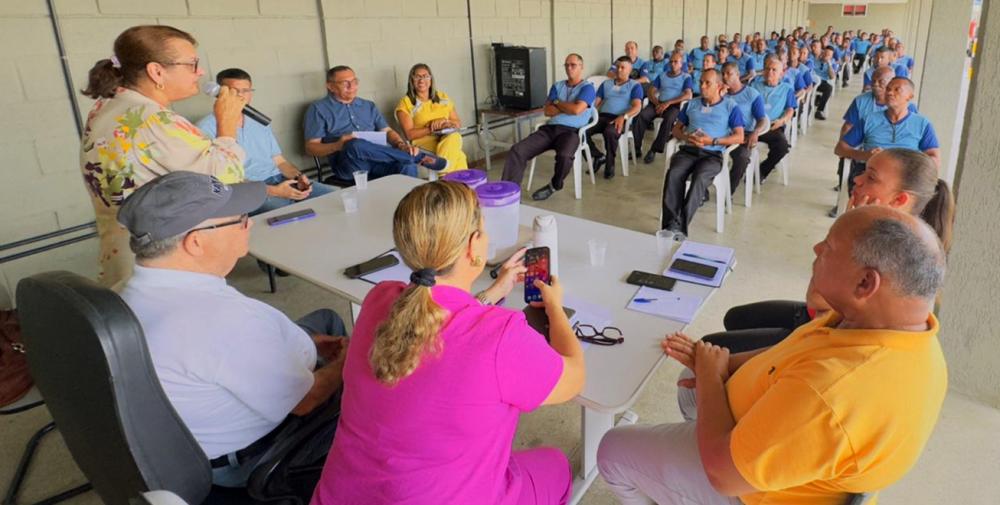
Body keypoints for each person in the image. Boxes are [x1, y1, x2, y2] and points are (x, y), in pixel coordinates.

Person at [599, 205, 948, 505]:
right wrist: (720, 365)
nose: (816, 248)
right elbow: (795, 348)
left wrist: (710, 376)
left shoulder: (834, 394)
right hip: (771, 431)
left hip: (748, 487)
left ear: (865, 284)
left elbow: (723, 474)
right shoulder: (889, 327)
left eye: (828, 248)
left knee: (612, 450)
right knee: (687, 387)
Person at [310, 181, 585, 505]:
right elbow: (573, 378)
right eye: (483, 229)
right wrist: (555, 307)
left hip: (339, 496)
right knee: (556, 465)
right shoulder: (501, 335)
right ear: (473, 247)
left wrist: (492, 293)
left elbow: (436, 318)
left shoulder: (379, 298)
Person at [117, 172, 349, 488]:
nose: (249, 224)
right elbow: (307, 399)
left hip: (190, 428)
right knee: (375, 375)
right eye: (239, 219)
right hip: (252, 458)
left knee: (325, 319)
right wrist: (349, 360)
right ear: (195, 242)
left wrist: (312, 345)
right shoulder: (217, 322)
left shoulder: (133, 292)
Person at [704, 148, 955, 353]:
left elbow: (818, 296)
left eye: (871, 178)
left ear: (899, 200)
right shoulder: (879, 226)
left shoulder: (889, 250)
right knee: (735, 317)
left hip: (820, 338)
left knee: (709, 346)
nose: (857, 180)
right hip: (815, 317)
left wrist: (850, 223)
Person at [80, 25, 247, 288]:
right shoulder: (153, 120)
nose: (200, 72)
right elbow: (226, 177)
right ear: (156, 71)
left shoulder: (107, 106)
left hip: (121, 250)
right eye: (192, 64)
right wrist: (226, 126)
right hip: (160, 259)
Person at [197, 68, 335, 215]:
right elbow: (222, 178)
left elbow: (280, 161)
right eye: (234, 91)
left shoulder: (259, 121)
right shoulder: (204, 128)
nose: (241, 96)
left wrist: (298, 177)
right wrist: (275, 191)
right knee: (287, 212)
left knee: (332, 197)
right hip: (249, 188)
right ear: (220, 94)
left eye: (246, 90)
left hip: (280, 179)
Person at [304, 66, 445, 182]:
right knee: (354, 144)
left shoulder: (368, 106)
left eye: (354, 81)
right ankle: (418, 157)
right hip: (350, 166)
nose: (352, 86)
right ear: (330, 86)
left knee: (406, 165)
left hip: (379, 161)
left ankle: (412, 208)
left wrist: (401, 145)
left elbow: (388, 131)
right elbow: (311, 148)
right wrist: (337, 145)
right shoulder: (318, 109)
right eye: (345, 83)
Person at [660, 69, 744, 239]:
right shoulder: (691, 104)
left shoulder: (730, 106)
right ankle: (670, 226)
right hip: (688, 151)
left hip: (712, 155)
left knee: (699, 178)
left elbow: (739, 136)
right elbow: (676, 130)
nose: (702, 86)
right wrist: (686, 136)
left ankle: (681, 226)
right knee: (674, 173)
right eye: (701, 82)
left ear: (719, 86)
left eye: (707, 83)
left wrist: (712, 141)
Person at [502, 53, 596, 201]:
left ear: (581, 67)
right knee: (517, 150)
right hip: (549, 130)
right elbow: (547, 111)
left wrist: (557, 102)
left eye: (573, 65)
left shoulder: (588, 88)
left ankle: (555, 185)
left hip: (571, 132)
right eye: (566, 65)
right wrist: (567, 106)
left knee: (565, 156)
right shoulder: (557, 86)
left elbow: (577, 110)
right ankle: (508, 193)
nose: (569, 68)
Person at [836, 77, 941, 190]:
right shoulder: (869, 120)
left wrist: (911, 166)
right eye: (888, 89)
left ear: (909, 97)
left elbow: (934, 157)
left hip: (904, 178)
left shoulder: (922, 124)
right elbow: (840, 149)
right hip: (873, 174)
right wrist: (865, 155)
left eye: (897, 90)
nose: (890, 93)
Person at [394, 63, 468, 174]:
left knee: (455, 137)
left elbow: (457, 123)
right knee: (459, 156)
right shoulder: (406, 103)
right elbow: (409, 134)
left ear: (431, 79)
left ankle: (443, 173)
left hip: (447, 139)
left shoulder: (443, 97)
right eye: (417, 76)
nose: (421, 80)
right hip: (424, 145)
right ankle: (451, 181)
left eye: (425, 76)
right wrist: (432, 127)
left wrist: (446, 123)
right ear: (411, 80)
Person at [587, 56, 644, 179]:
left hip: (620, 118)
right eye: (617, 67)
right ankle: (597, 156)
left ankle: (610, 163)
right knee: (581, 131)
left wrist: (623, 116)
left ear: (630, 69)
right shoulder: (606, 84)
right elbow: (595, 103)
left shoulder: (635, 86)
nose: (619, 70)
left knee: (610, 132)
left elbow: (637, 107)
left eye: (623, 67)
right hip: (602, 116)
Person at [634, 51, 694, 165]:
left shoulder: (686, 77)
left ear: (681, 64)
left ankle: (654, 150)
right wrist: (657, 103)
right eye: (671, 61)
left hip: (674, 105)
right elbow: (651, 91)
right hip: (658, 103)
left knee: (669, 120)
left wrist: (668, 103)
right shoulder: (662, 75)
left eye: (676, 62)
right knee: (642, 115)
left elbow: (688, 94)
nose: (673, 64)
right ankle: (637, 148)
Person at [721, 63, 768, 196]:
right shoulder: (720, 92)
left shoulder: (751, 94)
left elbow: (762, 119)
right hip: (720, 132)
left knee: (742, 157)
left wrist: (756, 132)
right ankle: (703, 189)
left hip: (743, 134)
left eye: (729, 73)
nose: (725, 77)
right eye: (723, 73)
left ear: (737, 74)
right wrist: (720, 95)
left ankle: (728, 192)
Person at [749, 56, 796, 182]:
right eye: (767, 69)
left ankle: (762, 170)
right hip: (753, 126)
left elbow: (790, 109)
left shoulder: (787, 89)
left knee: (782, 147)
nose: (770, 72)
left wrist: (783, 120)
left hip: (773, 126)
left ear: (781, 74)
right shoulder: (753, 86)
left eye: (774, 70)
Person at [812, 46, 839, 120]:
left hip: (822, 82)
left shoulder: (833, 63)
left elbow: (832, 77)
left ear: (831, 56)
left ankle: (819, 110)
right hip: (812, 80)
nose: (826, 55)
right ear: (822, 52)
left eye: (829, 55)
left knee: (829, 88)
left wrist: (829, 64)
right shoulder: (815, 59)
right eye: (825, 53)